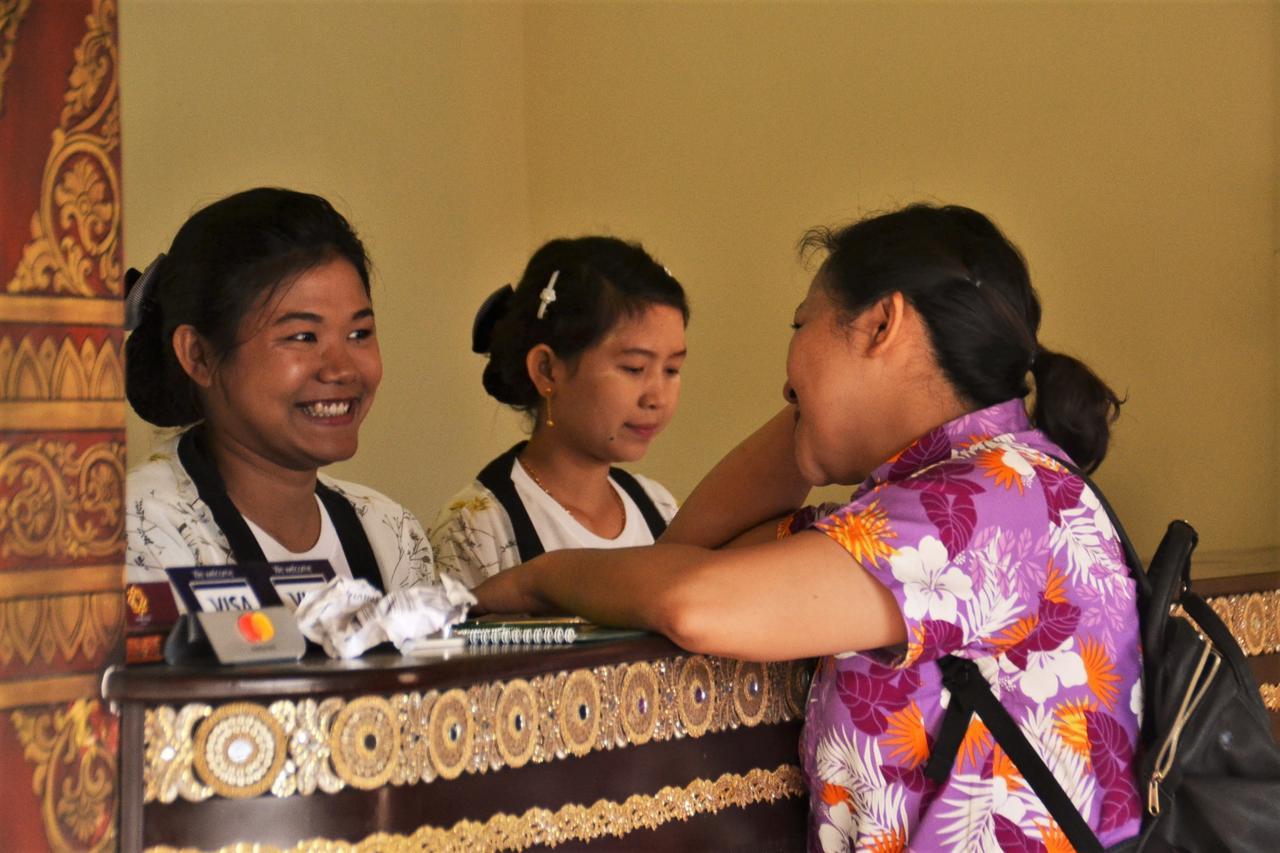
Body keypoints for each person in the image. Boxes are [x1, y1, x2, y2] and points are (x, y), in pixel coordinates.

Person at [473, 204, 1140, 850]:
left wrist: (541, 577)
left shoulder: (989, 501)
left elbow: (696, 602)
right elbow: (687, 558)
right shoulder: (920, 506)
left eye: (801, 325)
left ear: (882, 323)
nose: (785, 378)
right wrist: (812, 416)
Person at [125, 187, 433, 594]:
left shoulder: (390, 533)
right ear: (198, 355)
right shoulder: (138, 531)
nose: (342, 369)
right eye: (303, 336)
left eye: (359, 333)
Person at [429, 236, 687, 588]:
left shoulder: (659, 507)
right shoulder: (477, 528)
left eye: (672, 370)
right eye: (633, 368)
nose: (657, 397)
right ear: (548, 370)